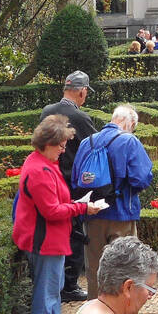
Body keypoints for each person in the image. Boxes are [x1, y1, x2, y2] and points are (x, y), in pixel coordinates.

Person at [13, 115, 106, 314]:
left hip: (49, 238)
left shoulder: (43, 164)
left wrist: (76, 205)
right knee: (46, 293)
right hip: (44, 240)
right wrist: (82, 209)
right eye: (62, 145)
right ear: (48, 143)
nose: (64, 150)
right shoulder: (39, 170)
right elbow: (51, 211)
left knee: (53, 289)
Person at [72, 105, 154, 283]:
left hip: (92, 213)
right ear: (131, 123)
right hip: (122, 212)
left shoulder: (87, 142)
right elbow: (141, 178)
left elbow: (75, 179)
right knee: (125, 267)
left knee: (95, 268)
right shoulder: (129, 141)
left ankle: (96, 308)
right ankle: (122, 310)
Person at [41, 71, 97, 301]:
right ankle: (70, 285)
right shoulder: (79, 117)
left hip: (48, 178)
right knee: (74, 232)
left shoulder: (46, 111)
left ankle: (60, 281)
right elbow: (96, 146)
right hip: (72, 183)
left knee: (56, 230)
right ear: (82, 91)